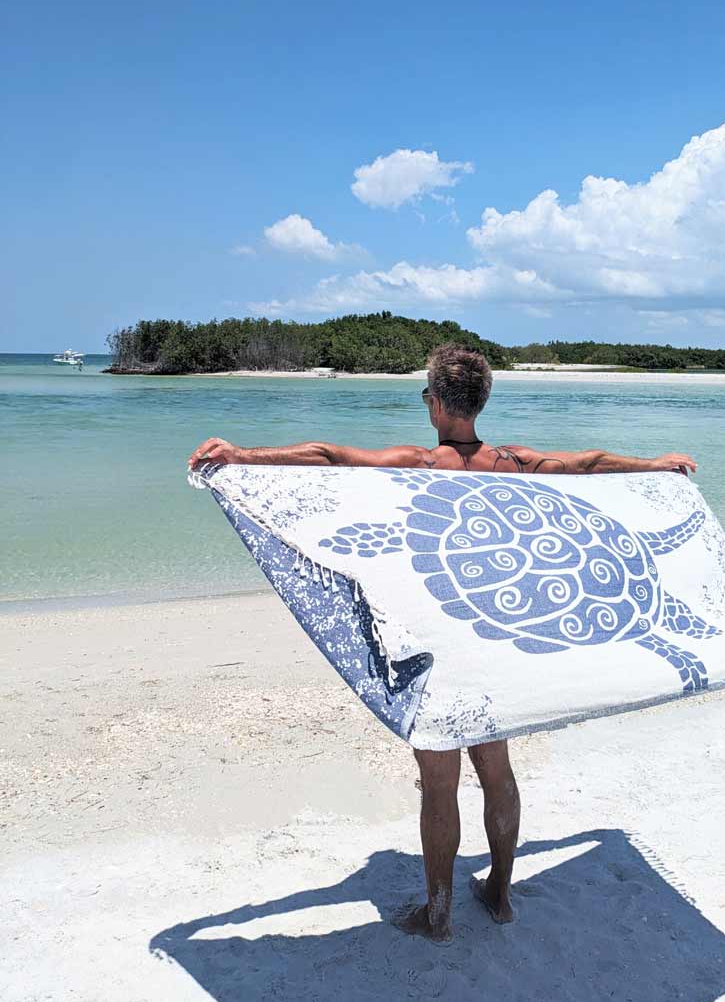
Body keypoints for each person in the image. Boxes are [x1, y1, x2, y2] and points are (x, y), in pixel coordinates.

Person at [188, 344, 697, 942]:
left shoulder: (420, 463)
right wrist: (655, 466)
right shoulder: (513, 463)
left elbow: (327, 456)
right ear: (481, 402)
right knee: (497, 770)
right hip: (494, 638)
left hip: (438, 642)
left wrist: (243, 456)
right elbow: (589, 463)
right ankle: (500, 894)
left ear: (434, 404)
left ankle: (438, 913)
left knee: (439, 783)